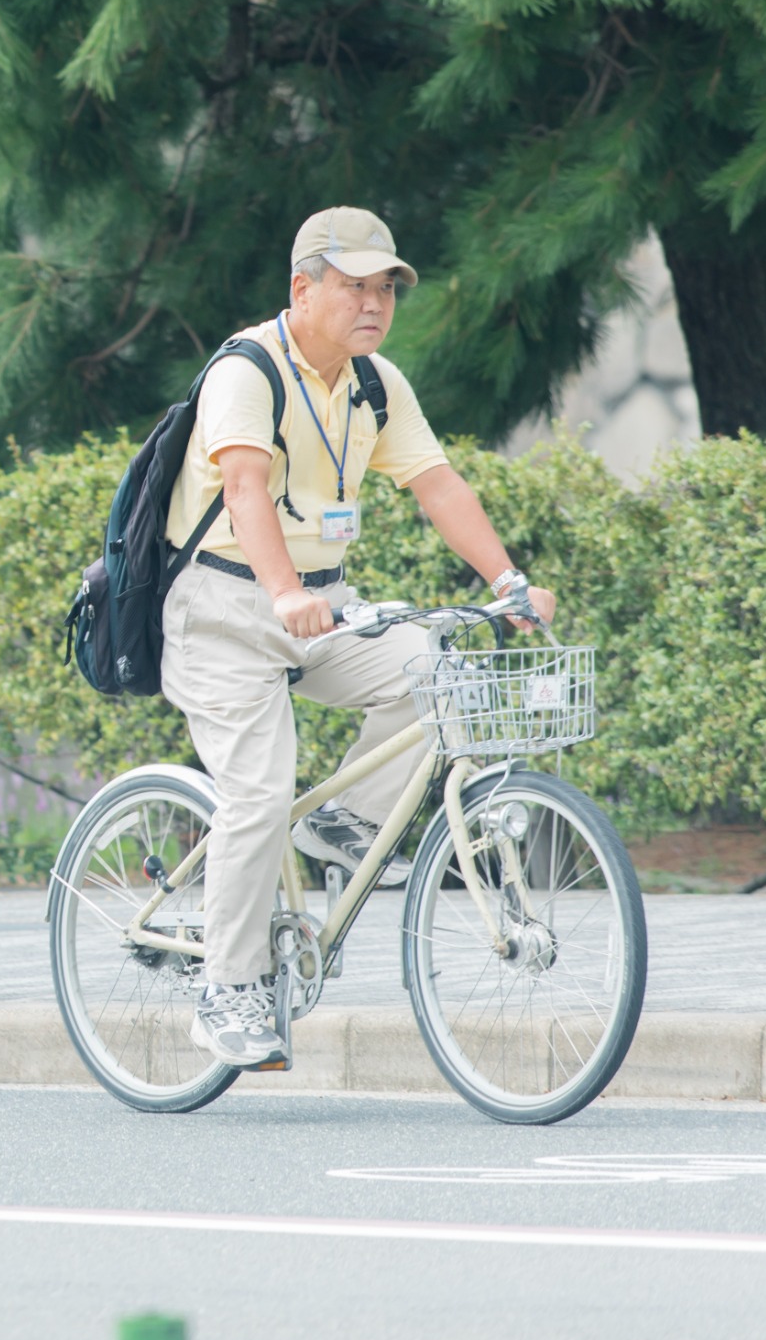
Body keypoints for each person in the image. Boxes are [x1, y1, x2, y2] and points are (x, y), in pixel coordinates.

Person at [160, 209, 556, 1068]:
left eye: (385, 289)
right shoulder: (249, 370)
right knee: (258, 791)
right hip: (224, 609)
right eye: (354, 287)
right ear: (303, 290)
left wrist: (506, 582)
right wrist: (282, 592)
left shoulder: (375, 382)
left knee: (428, 667)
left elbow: (437, 483)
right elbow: (244, 491)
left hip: (324, 607)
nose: (373, 304)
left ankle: (339, 822)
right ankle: (226, 990)